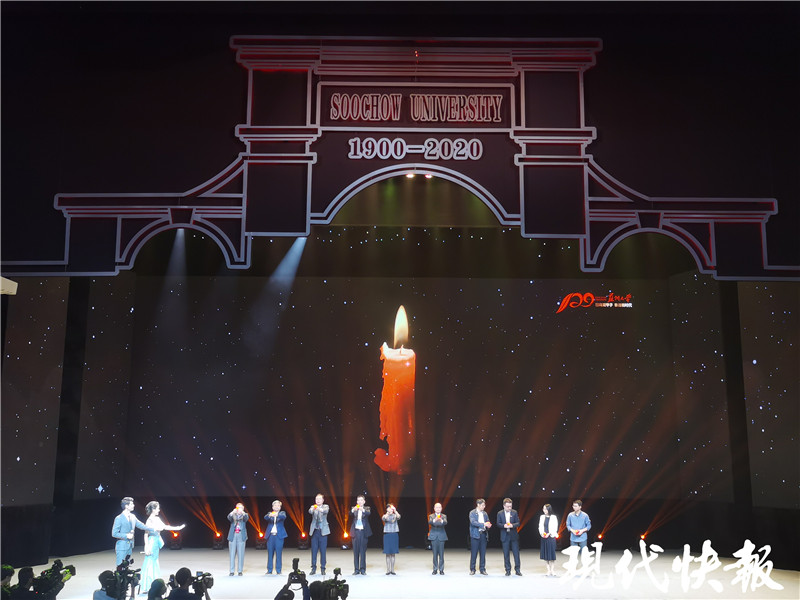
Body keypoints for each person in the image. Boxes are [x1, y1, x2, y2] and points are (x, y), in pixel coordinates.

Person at [140, 501, 185, 594]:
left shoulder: (157, 518)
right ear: (153, 509)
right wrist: (146, 547)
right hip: (152, 542)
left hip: (156, 542)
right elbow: (146, 534)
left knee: (154, 562)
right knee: (150, 563)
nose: (159, 510)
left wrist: (177, 528)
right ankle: (148, 586)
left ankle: (155, 584)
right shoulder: (149, 520)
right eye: (157, 508)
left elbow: (165, 527)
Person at [112, 497, 153, 567]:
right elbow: (114, 533)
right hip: (122, 546)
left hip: (130, 545)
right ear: (126, 506)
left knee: (127, 566)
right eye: (131, 504)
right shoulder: (119, 518)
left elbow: (141, 525)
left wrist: (153, 528)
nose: (133, 505)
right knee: (120, 567)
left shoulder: (133, 516)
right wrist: (126, 535)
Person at [497, 498, 522, 576]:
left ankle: (517, 570)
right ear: (504, 506)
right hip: (505, 535)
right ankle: (508, 570)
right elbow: (498, 523)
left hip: (513, 535)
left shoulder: (514, 512)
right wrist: (503, 525)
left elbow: (518, 523)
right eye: (508, 506)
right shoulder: (500, 513)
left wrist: (512, 525)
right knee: (506, 554)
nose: (509, 508)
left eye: (510, 506)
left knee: (516, 554)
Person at [468, 498, 492, 575]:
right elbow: (473, 522)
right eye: (482, 505)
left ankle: (482, 569)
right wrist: (483, 524)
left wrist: (488, 524)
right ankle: (472, 569)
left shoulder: (485, 513)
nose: (484, 506)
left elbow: (487, 521)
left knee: (483, 553)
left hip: (483, 535)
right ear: (478, 505)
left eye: (484, 505)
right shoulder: (472, 513)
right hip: (475, 535)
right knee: (474, 553)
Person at [308, 494, 330, 576]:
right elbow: (310, 511)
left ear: (323, 500)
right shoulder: (313, 506)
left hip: (323, 531)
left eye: (320, 499)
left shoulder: (325, 506)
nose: (318, 500)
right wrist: (314, 508)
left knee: (323, 551)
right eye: (316, 499)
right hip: (315, 531)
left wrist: (318, 508)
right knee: (314, 551)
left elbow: (325, 511)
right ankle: (313, 568)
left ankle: (323, 568)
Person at [349, 495, 372, 575]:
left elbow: (368, 513)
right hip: (355, 532)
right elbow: (350, 513)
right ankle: (356, 569)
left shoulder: (367, 508)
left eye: (361, 500)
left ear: (364, 501)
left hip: (363, 532)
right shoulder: (354, 508)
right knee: (356, 552)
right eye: (358, 500)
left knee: (362, 551)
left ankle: (362, 569)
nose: (360, 502)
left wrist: (362, 510)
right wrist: (353, 510)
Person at [264, 500, 288, 575]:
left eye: (278, 505)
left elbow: (283, 517)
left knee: (278, 553)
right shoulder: (270, 513)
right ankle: (269, 570)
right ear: (272, 507)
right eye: (275, 505)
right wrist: (271, 515)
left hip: (279, 536)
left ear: (280, 507)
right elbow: (265, 517)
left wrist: (276, 514)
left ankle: (278, 570)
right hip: (270, 536)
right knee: (270, 553)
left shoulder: (282, 513)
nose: (276, 507)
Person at [227, 503, 249, 576]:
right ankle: (231, 571)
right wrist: (232, 512)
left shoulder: (245, 515)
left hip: (241, 535)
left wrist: (242, 512)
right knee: (232, 554)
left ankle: (240, 571)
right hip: (233, 535)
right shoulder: (233, 515)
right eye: (238, 508)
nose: (239, 509)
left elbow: (246, 519)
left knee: (241, 554)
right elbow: (229, 518)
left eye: (241, 508)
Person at [427, 503, 447, 575]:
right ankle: (435, 569)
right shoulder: (431, 516)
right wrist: (435, 520)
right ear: (434, 508)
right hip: (434, 536)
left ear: (441, 508)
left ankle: (441, 569)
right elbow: (430, 522)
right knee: (435, 554)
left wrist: (441, 520)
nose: (438, 509)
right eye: (437, 507)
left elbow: (445, 522)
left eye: (439, 507)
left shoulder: (444, 516)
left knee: (441, 554)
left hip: (441, 536)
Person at [538, 504, 558, 577]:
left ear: (549, 509)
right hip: (544, 537)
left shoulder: (553, 517)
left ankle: (552, 570)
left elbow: (555, 527)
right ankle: (548, 570)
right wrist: (542, 533)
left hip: (551, 537)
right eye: (543, 509)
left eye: (545, 509)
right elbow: (540, 526)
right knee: (546, 554)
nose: (544, 510)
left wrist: (549, 533)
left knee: (551, 554)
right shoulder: (542, 517)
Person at [381, 503, 401, 575]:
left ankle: (392, 569)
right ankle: (388, 570)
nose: (390, 509)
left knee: (393, 553)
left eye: (391, 508)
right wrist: (388, 513)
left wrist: (395, 511)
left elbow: (399, 517)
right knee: (387, 553)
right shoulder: (385, 515)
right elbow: (384, 518)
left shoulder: (395, 515)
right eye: (389, 508)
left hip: (394, 534)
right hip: (387, 534)